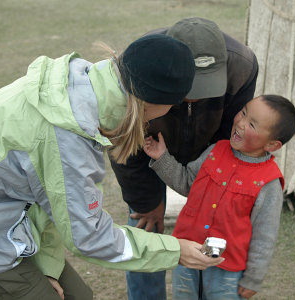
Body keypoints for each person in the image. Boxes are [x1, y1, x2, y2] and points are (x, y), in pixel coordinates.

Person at [0, 34, 224, 300]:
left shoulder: (83, 87)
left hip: (12, 215)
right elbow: (89, 237)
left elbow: (52, 198)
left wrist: (49, 267)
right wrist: (176, 250)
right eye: (175, 102)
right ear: (153, 102)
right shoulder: (69, 134)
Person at [109, 17, 259, 300]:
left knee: (212, 238)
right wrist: (147, 202)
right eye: (190, 89)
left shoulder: (242, 66)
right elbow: (123, 144)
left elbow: (230, 136)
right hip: (147, 152)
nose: (195, 100)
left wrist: (212, 189)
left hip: (209, 159)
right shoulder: (139, 64)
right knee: (146, 231)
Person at [144, 95, 295, 299]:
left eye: (252, 124)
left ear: (272, 145)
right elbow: (188, 183)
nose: (241, 123)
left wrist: (253, 279)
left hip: (226, 270)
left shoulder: (268, 183)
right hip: (187, 256)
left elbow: (264, 236)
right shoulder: (216, 151)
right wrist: (162, 157)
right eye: (243, 113)